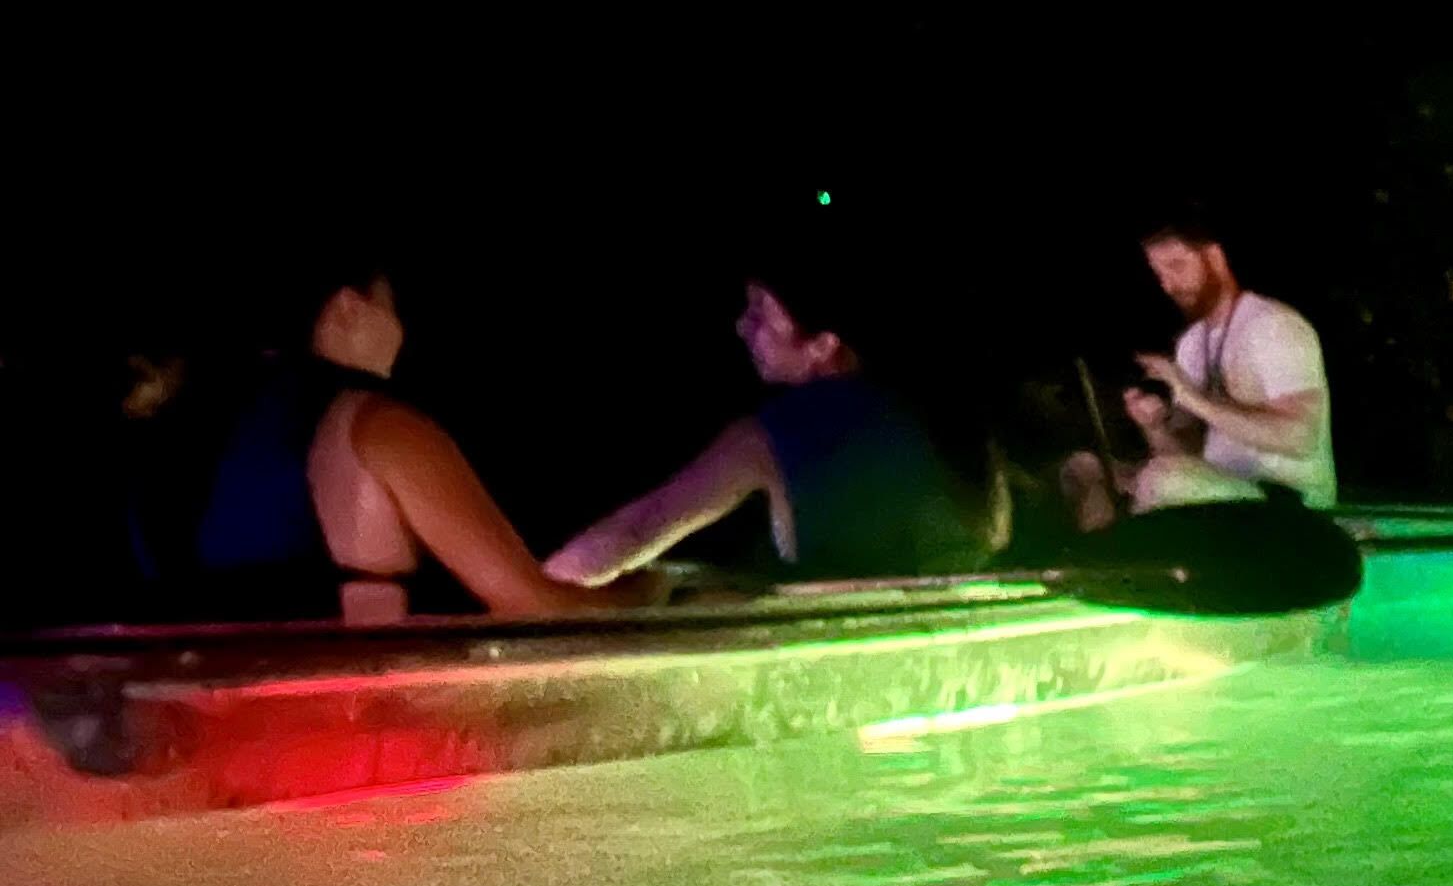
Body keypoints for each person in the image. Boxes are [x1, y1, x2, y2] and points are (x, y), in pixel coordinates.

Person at [192, 258, 645, 620]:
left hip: (236, 722)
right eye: (391, 307)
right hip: (360, 718)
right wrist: (648, 600)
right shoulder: (378, 426)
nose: (400, 332)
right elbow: (532, 607)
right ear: (350, 307)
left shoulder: (219, 435)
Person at [547, 262, 986, 583]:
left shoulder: (780, 434)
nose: (742, 327)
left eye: (760, 313)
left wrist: (528, 594)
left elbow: (634, 532)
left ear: (823, 344)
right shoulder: (949, 416)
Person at [1133, 214, 1335, 512]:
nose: (1168, 285)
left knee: (1164, 480)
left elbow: (1301, 437)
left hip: (1291, 503)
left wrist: (1190, 396)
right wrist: (1153, 426)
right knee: (1087, 468)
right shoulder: (1191, 343)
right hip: (1225, 493)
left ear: (1213, 258)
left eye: (1176, 267)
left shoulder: (1272, 326)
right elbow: (1182, 456)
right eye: (1158, 274)